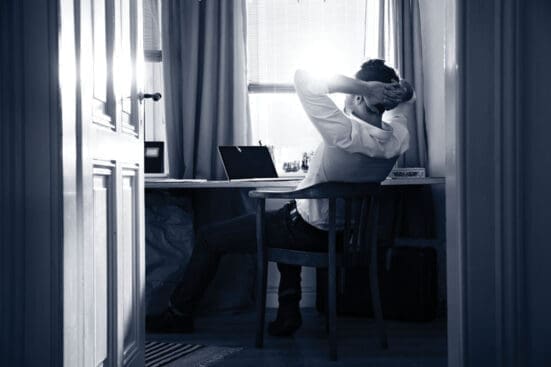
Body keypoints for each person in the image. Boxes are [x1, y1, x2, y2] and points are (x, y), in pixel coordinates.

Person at [146, 59, 414, 336]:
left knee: (210, 237)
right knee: (288, 216)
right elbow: (409, 98)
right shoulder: (397, 140)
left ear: (359, 95)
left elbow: (303, 77)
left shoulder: (343, 131)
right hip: (344, 238)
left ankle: (178, 313)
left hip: (308, 232)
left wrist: (363, 86)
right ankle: (288, 313)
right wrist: (393, 92)